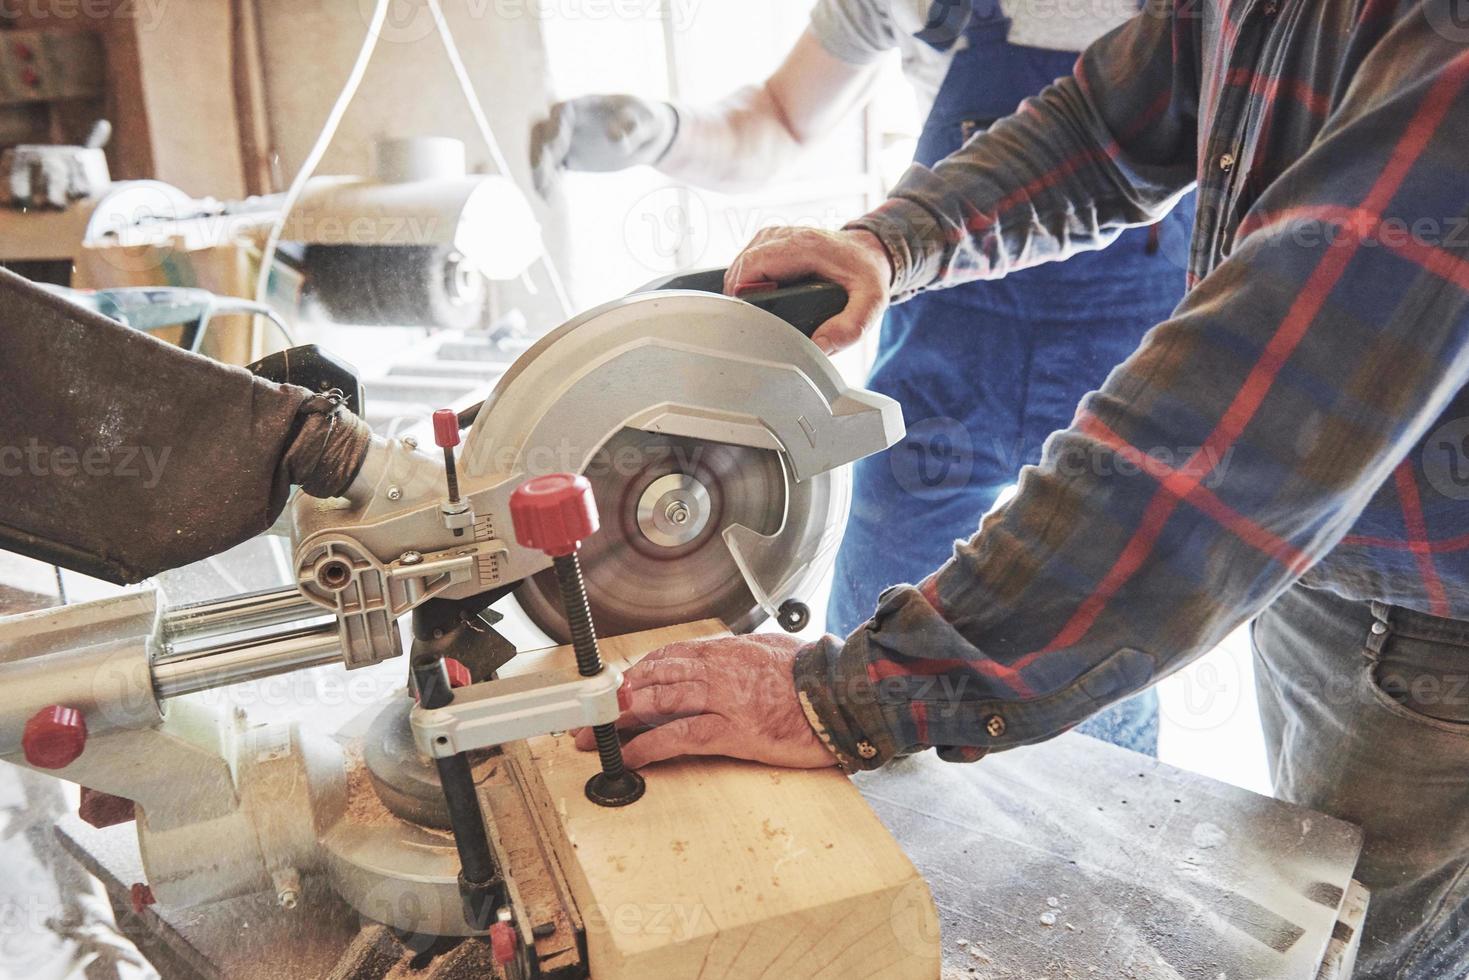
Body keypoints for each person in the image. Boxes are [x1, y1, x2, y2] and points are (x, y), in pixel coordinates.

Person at [572, 2, 1469, 976]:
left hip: (1426, 617)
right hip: (1310, 560)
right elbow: (1105, 122)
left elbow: (1248, 423)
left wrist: (855, 695)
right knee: (1292, 873)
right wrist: (897, 238)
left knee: (1368, 944)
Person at [533, 0, 1194, 755]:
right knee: (878, 633)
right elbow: (778, 119)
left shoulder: (1221, 21)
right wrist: (662, 130)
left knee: (1095, 660)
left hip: (1136, 347)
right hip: (947, 341)